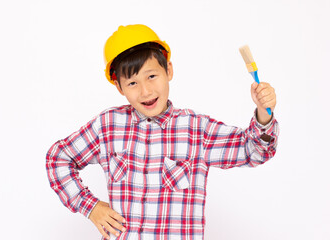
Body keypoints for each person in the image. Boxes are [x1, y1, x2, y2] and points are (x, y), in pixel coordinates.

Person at [46, 24, 279, 240]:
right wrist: (91, 207)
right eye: (132, 83)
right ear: (119, 87)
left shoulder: (197, 130)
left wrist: (263, 114)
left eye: (151, 76)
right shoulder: (107, 126)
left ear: (168, 70)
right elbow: (58, 158)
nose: (146, 91)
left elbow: (255, 151)